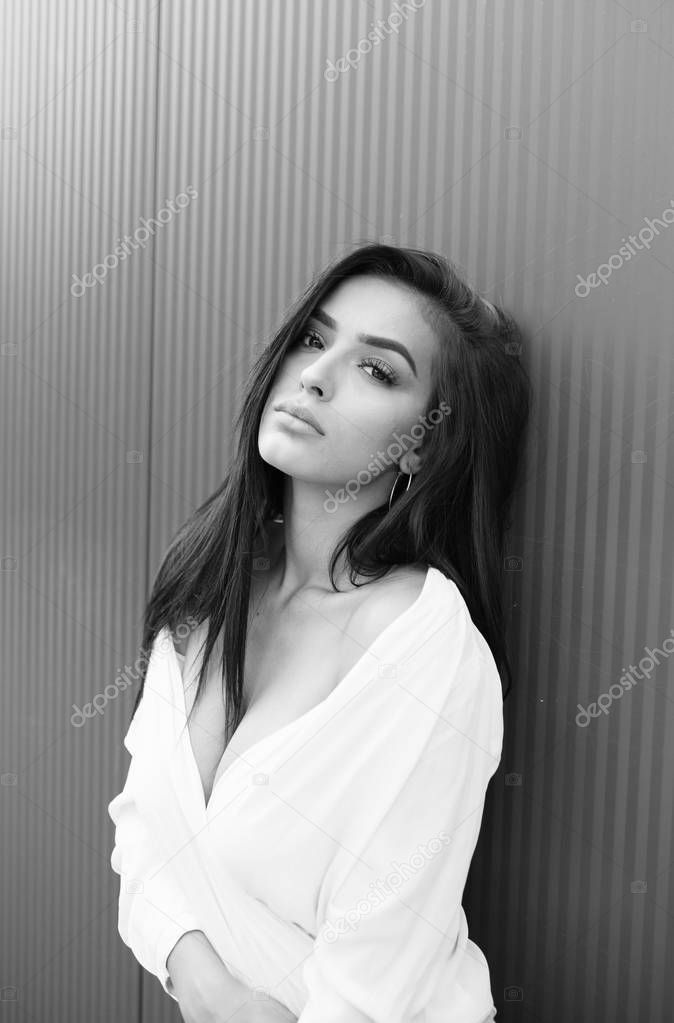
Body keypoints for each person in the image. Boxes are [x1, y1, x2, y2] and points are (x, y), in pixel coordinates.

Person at [107, 242, 531, 1022]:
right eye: (313, 338)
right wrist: (213, 990)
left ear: (425, 440)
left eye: (377, 369)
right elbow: (140, 838)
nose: (314, 374)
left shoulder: (424, 647)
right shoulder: (211, 582)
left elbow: (373, 987)